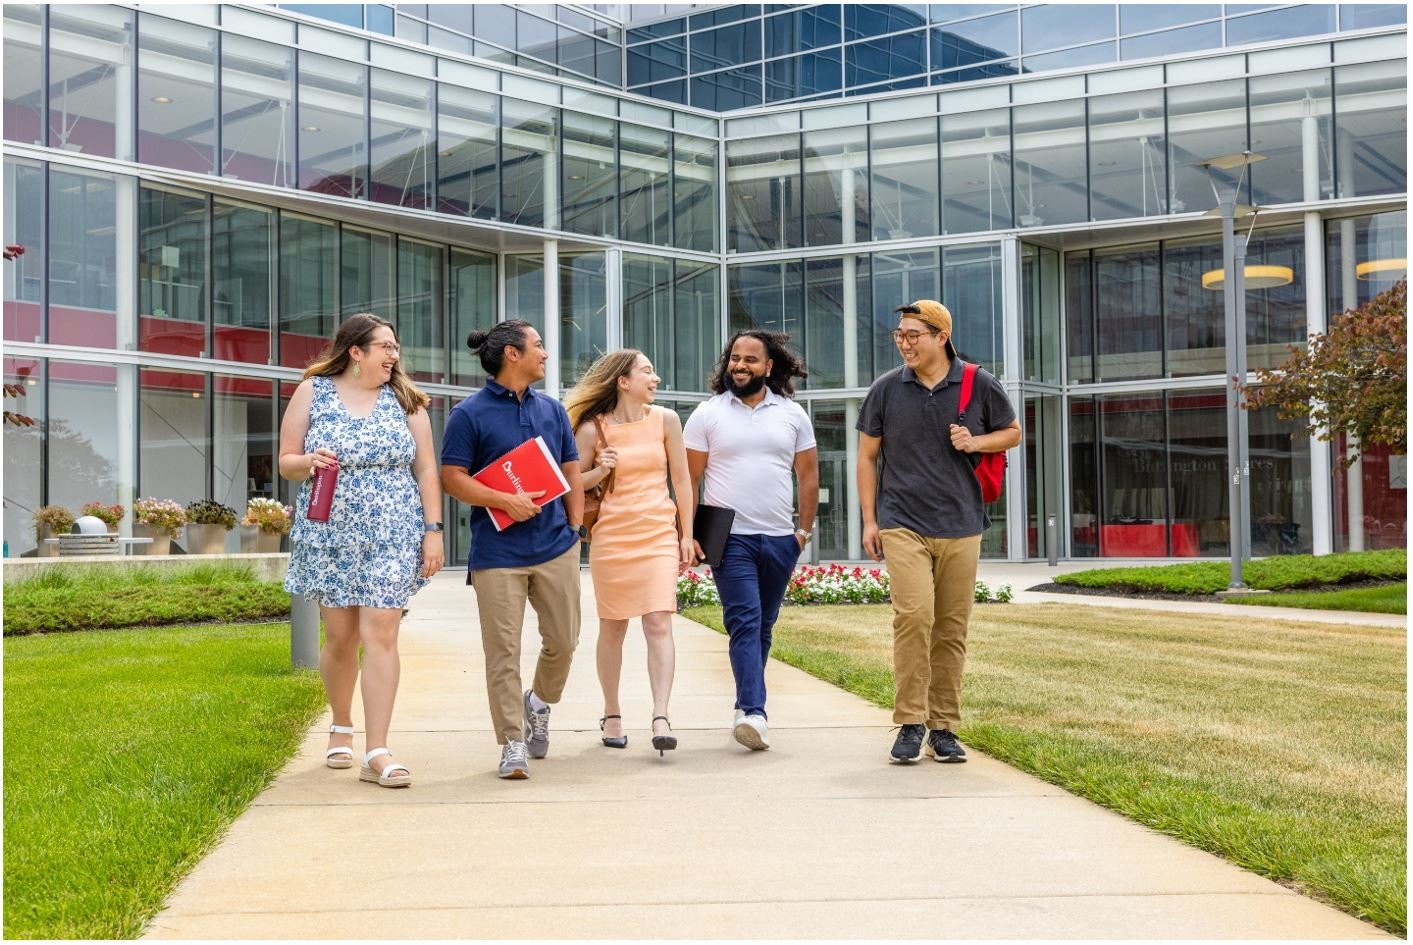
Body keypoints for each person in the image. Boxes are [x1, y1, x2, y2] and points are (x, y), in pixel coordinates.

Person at [280, 313, 444, 789]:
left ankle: (378, 749)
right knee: (341, 638)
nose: (394, 354)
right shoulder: (314, 390)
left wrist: (433, 530)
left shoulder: (406, 399)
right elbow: (287, 460)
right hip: (331, 532)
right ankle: (340, 724)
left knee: (382, 633)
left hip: (394, 530)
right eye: (385, 346)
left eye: (395, 347)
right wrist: (307, 461)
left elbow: (427, 470)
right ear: (356, 351)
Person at [856, 300, 1021, 765]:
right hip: (902, 520)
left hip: (961, 522)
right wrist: (871, 520)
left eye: (914, 335)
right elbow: (867, 457)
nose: (904, 343)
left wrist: (977, 442)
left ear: (940, 336)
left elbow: (1012, 432)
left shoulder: (979, 383)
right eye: (900, 335)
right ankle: (909, 722)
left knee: (951, 628)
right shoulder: (886, 389)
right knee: (913, 617)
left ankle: (943, 726)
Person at [440, 320, 585, 780]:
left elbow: (571, 471)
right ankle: (511, 742)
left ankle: (539, 702)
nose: (545, 353)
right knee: (502, 651)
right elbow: (452, 478)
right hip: (497, 554)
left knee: (563, 641)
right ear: (512, 355)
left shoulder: (553, 410)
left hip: (556, 545)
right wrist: (503, 500)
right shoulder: (468, 414)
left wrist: (577, 528)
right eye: (538, 345)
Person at [684, 330, 818, 751]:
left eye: (750, 360)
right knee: (743, 620)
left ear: (769, 366)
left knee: (763, 626)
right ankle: (755, 713)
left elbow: (809, 476)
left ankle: (745, 707)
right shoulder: (707, 414)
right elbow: (688, 479)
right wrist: (686, 533)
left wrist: (802, 533)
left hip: (781, 536)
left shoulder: (792, 414)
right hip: (729, 535)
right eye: (734, 358)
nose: (740, 366)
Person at [564, 350, 695, 755]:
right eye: (647, 372)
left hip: (657, 533)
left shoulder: (666, 421)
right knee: (614, 627)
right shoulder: (592, 430)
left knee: (658, 622)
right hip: (612, 539)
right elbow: (571, 485)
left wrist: (685, 534)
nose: (655, 378)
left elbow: (682, 481)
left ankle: (661, 715)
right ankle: (612, 710)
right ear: (624, 381)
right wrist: (600, 471)